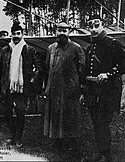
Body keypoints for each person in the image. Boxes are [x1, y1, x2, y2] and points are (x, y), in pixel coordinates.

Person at [80, 15, 125, 162]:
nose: (94, 29)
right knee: (96, 122)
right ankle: (101, 152)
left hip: (108, 92)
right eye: (91, 26)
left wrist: (108, 74)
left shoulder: (112, 44)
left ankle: (105, 155)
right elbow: (86, 73)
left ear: (103, 26)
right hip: (93, 92)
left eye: (97, 25)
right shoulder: (90, 48)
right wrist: (83, 92)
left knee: (102, 122)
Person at [0, 22, 41, 148]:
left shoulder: (29, 49)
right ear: (11, 34)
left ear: (22, 34)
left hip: (22, 87)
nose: (16, 36)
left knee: (20, 112)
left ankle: (18, 138)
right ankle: (13, 136)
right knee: (7, 112)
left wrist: (33, 79)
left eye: (18, 34)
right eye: (14, 34)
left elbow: (39, 67)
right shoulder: (5, 50)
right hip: (8, 86)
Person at [43, 22, 85, 154]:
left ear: (69, 32)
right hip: (54, 89)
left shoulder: (76, 48)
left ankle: (72, 145)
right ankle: (58, 142)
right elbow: (46, 68)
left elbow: (82, 70)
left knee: (70, 118)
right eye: (59, 30)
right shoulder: (51, 48)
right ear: (56, 31)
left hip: (70, 91)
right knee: (55, 116)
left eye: (64, 31)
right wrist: (46, 86)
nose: (62, 33)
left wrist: (82, 91)